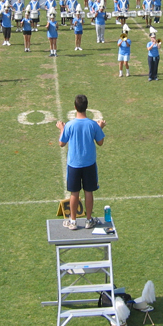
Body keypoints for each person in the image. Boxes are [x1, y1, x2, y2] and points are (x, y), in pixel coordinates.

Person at [56, 95, 106, 230]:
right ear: (87, 107)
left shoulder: (70, 125)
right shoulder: (92, 124)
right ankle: (89, 220)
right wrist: (100, 127)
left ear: (75, 107)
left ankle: (73, 221)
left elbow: (61, 143)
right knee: (89, 191)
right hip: (89, 163)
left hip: (74, 164)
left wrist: (62, 129)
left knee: (74, 193)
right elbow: (100, 142)